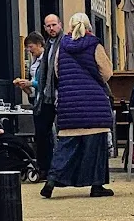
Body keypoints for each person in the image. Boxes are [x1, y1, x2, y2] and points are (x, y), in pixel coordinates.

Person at [43, 13, 115, 198]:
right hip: (94, 105)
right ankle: (96, 185)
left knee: (66, 147)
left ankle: (52, 180)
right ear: (88, 26)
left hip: (69, 105)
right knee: (95, 149)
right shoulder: (94, 44)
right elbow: (107, 72)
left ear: (69, 26)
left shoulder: (62, 46)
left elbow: (57, 72)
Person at [27, 14, 64, 179]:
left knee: (64, 133)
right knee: (42, 132)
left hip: (62, 93)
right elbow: (44, 74)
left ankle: (60, 168)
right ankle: (45, 169)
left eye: (54, 25)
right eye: (48, 26)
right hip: (46, 95)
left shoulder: (64, 43)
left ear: (60, 25)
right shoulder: (48, 45)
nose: (51, 28)